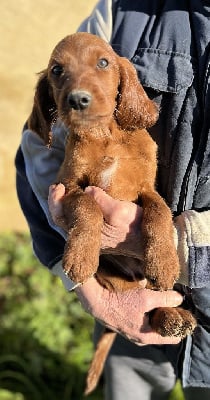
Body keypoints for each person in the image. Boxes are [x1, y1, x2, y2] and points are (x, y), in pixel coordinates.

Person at [15, 1, 210, 399]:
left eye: (103, 67)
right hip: (118, 294)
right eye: (59, 76)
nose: (79, 90)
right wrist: (89, 288)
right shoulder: (122, 8)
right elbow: (37, 146)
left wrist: (176, 243)